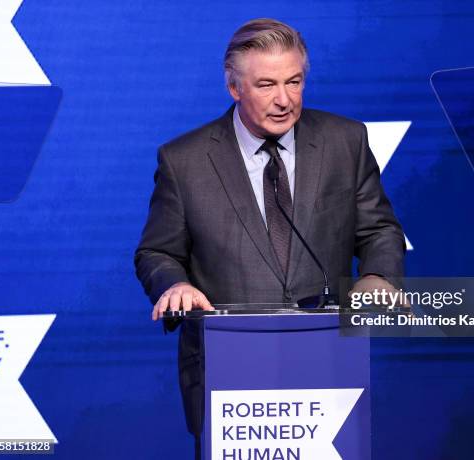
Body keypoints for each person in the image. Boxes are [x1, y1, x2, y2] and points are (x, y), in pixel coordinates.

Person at [134, 17, 405, 449]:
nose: (284, 100)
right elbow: (157, 252)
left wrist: (377, 276)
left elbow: (379, 230)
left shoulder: (345, 141)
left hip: (329, 364)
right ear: (234, 88)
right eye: (265, 85)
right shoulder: (183, 161)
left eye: (294, 82)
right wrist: (176, 284)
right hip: (229, 374)